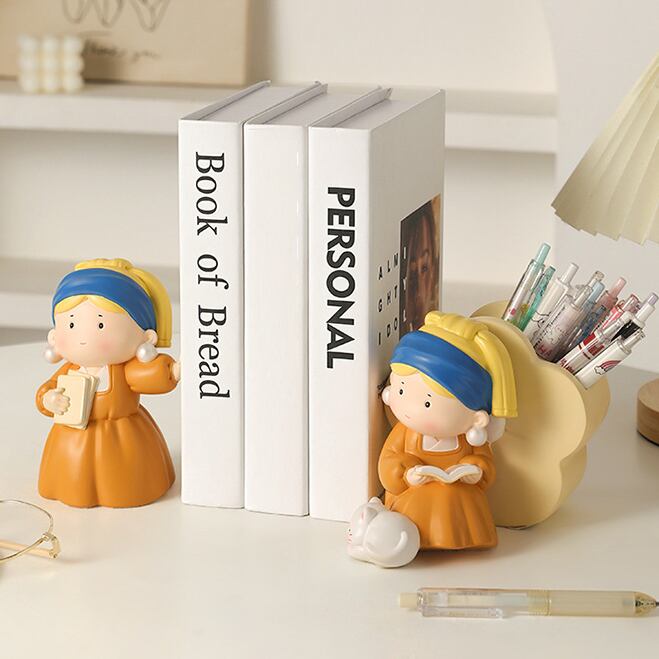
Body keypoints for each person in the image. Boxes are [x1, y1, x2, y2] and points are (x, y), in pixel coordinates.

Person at [36, 258, 179, 508]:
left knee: (121, 482)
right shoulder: (70, 369)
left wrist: (173, 370)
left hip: (122, 439)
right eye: (71, 324)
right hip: (72, 438)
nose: (83, 337)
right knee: (73, 479)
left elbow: (149, 376)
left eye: (100, 324)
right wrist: (49, 399)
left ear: (145, 336)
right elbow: (47, 389)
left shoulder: (124, 371)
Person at [378, 311, 517, 550]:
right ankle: (420, 539)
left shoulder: (469, 439)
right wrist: (406, 475)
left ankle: (465, 539)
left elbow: (485, 462)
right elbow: (388, 460)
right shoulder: (406, 432)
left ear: (476, 417)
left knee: (454, 496)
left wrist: (476, 472)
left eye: (427, 403)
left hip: (460, 500)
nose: (411, 408)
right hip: (411, 497)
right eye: (401, 390)